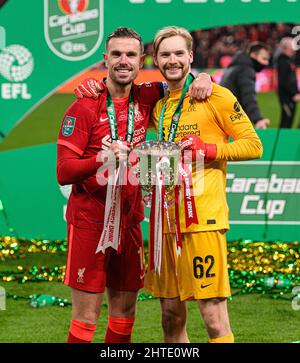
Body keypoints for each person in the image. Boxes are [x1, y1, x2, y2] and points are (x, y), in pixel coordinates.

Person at [57, 26, 212, 343]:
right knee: (86, 318)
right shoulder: (84, 106)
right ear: (105, 60)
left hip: (130, 222)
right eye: (116, 54)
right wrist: (103, 160)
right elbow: (64, 171)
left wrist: (205, 77)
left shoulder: (147, 97)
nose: (123, 61)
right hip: (90, 223)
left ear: (142, 60)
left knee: (125, 314)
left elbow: (181, 76)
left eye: (130, 54)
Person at [145, 26, 263, 343]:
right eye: (165, 54)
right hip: (164, 225)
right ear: (155, 59)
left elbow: (254, 146)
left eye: (179, 53)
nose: (172, 60)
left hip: (203, 220)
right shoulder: (158, 104)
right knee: (170, 318)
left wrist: (209, 150)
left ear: (191, 57)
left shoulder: (216, 95)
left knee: (212, 317)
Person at [220, 41, 271, 129]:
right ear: (254, 55)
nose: (266, 63)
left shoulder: (234, 67)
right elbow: (248, 96)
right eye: (264, 58)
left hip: (223, 115)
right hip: (232, 118)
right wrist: (258, 119)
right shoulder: (246, 70)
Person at [274, 37, 300, 128]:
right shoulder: (283, 61)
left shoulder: (288, 60)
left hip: (290, 97)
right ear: (286, 47)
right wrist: (294, 93)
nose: (294, 47)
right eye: (292, 45)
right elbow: (285, 80)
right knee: (286, 122)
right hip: (287, 97)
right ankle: (281, 141)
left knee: (288, 121)